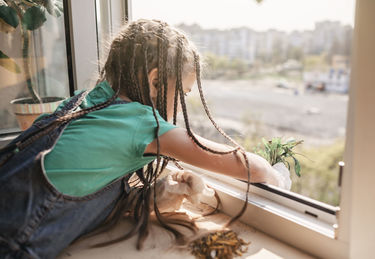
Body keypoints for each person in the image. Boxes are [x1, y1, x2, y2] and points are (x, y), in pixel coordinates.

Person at [0, 19, 289, 258]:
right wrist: (279, 179)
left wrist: (153, 195)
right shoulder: (139, 123)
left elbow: (80, 186)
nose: (179, 106)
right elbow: (253, 168)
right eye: (183, 94)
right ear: (154, 82)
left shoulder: (84, 102)